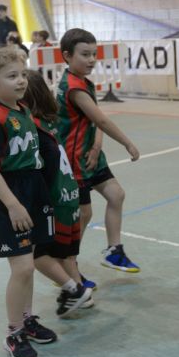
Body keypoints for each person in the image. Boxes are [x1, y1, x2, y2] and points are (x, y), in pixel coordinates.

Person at [0, 49, 58, 357]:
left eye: (22, 74)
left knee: (28, 263)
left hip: (29, 190)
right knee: (23, 267)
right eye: (12, 76)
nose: (21, 80)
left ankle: (27, 319)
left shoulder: (21, 109)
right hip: (8, 197)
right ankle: (13, 332)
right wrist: (14, 205)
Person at [54, 28, 141, 275]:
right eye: (85, 54)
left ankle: (114, 251)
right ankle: (65, 264)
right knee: (83, 213)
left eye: (94, 54)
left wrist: (96, 145)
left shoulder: (83, 81)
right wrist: (127, 143)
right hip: (74, 160)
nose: (91, 59)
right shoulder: (74, 87)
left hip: (90, 155)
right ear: (67, 56)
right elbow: (101, 120)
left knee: (116, 195)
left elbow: (93, 120)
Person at [22, 70, 94, 317]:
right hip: (70, 193)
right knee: (68, 254)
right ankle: (82, 295)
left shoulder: (32, 128)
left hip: (55, 199)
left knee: (38, 255)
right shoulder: (51, 122)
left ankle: (73, 290)